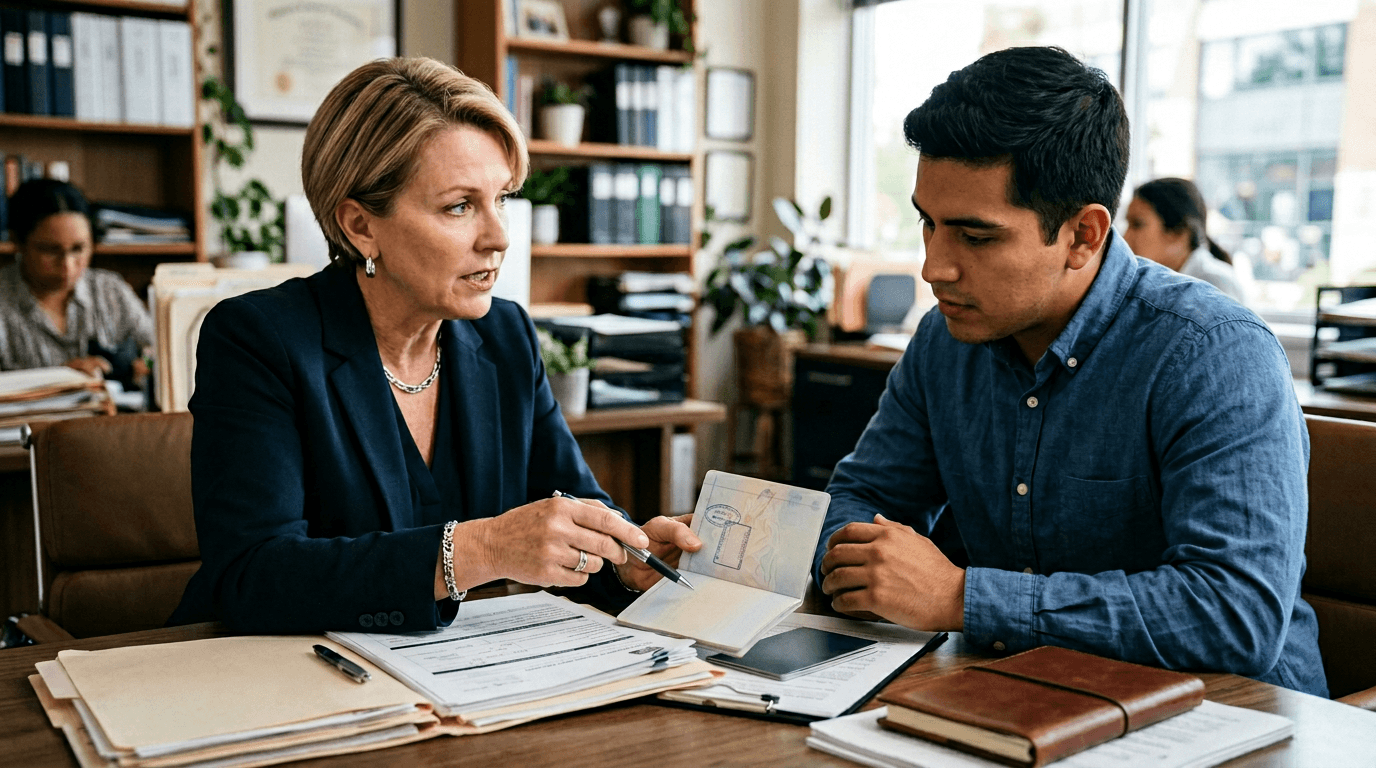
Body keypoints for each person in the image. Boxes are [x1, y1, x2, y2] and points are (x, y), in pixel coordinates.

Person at [812, 46, 1325, 696]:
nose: (933, 267)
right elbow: (864, 499)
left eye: (975, 237)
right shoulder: (945, 338)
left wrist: (966, 598)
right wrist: (756, 553)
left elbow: (1234, 617)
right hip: (1024, 693)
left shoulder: (1215, 352)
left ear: (1083, 235)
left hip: (1235, 721)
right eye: (927, 224)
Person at [170, 57, 700, 633]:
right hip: (282, 679)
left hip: (450, 680)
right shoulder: (258, 339)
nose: (498, 237)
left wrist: (629, 563)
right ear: (360, 226)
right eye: (459, 206)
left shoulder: (506, 336)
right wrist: (481, 548)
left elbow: (574, 509)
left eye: (501, 199)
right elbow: (252, 575)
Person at [0, 179, 153, 383]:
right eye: (50, 250)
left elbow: (159, 349)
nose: (68, 265)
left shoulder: (110, 290)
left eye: (78, 249)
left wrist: (148, 365)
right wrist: (60, 378)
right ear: (18, 242)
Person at [1124, 177, 1246, 303]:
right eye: (1128, 224)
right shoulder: (1153, 282)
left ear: (1179, 232)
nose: (1125, 237)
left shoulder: (1215, 285)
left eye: (1137, 224)